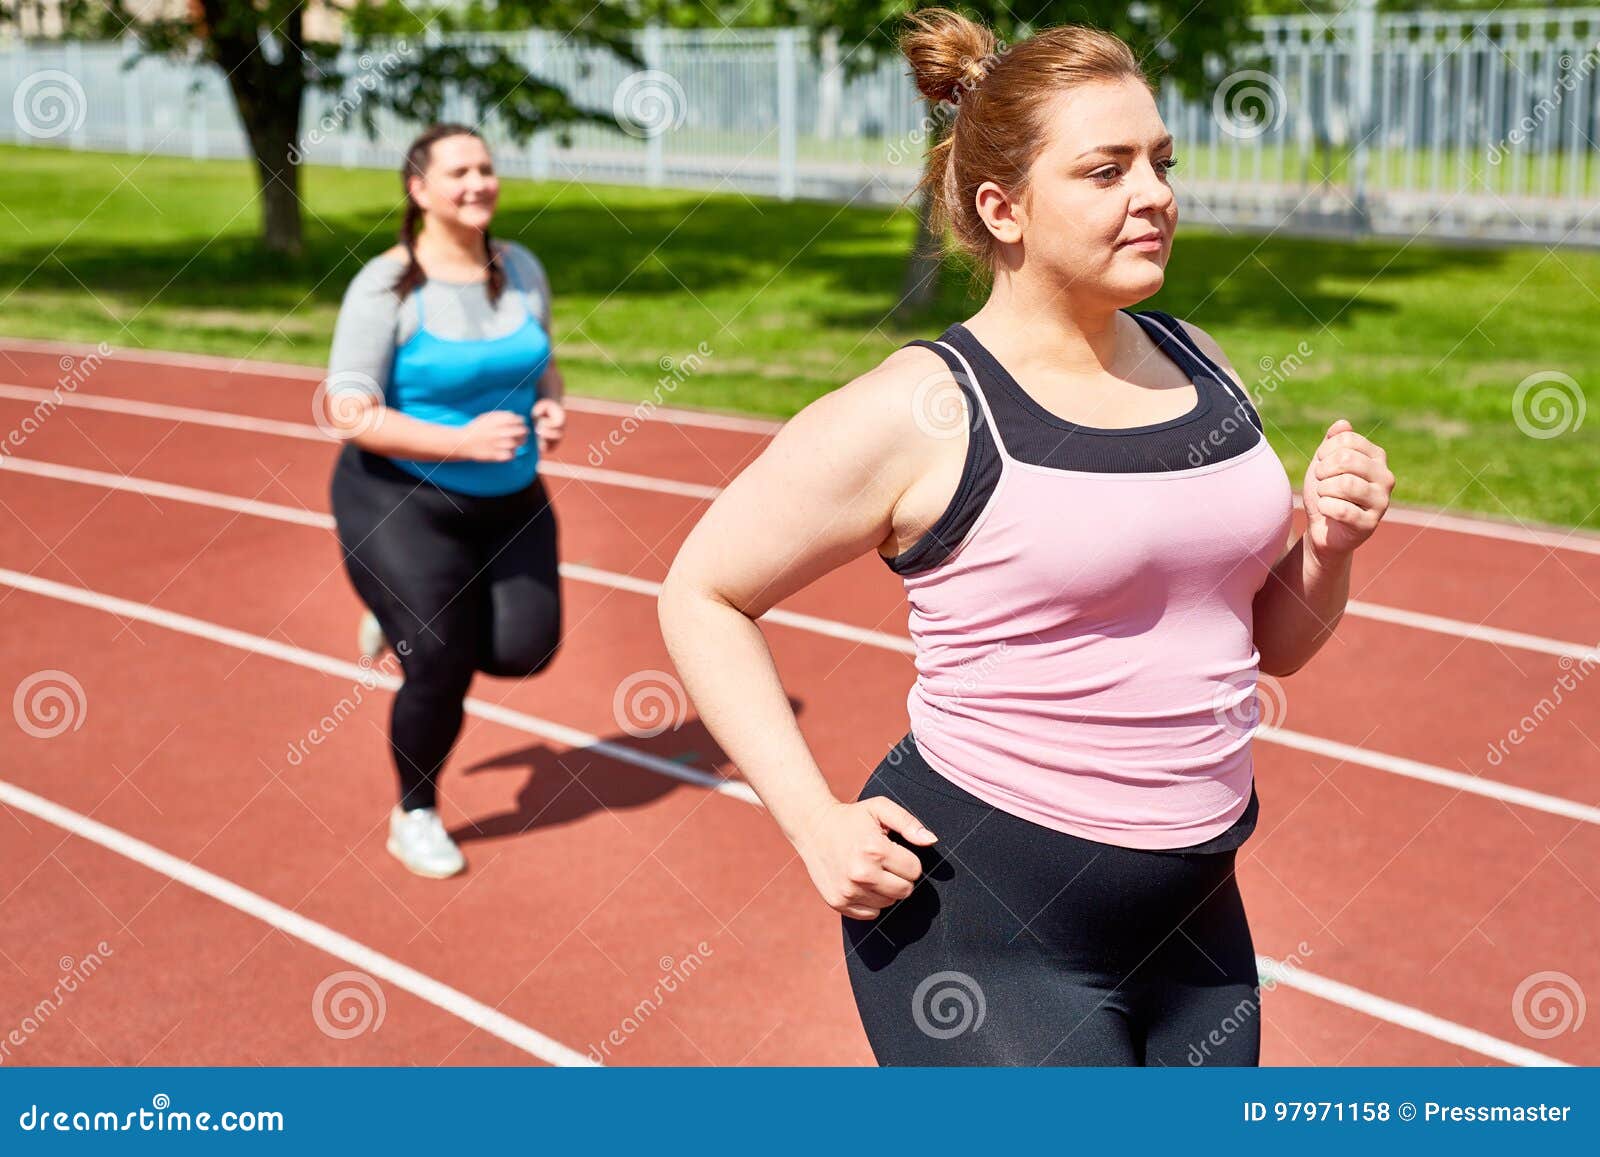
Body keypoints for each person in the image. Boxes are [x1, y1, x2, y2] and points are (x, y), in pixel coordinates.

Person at [657, 9, 1394, 1065]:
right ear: (1002, 208)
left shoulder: (1203, 361)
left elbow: (1262, 643)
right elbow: (701, 592)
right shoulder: (924, 407)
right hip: (985, 921)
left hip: (1196, 920)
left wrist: (1328, 545)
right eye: (1105, 171)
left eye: (1160, 161)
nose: (1155, 194)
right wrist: (812, 819)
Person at [324, 122, 567, 879]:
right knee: (438, 658)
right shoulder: (387, 284)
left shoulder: (520, 267)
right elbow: (348, 409)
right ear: (419, 189)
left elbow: (542, 360)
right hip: (400, 498)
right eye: (458, 171)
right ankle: (416, 811)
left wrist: (551, 406)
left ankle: (395, 610)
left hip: (511, 498)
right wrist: (457, 442)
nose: (477, 183)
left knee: (525, 649)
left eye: (487, 168)